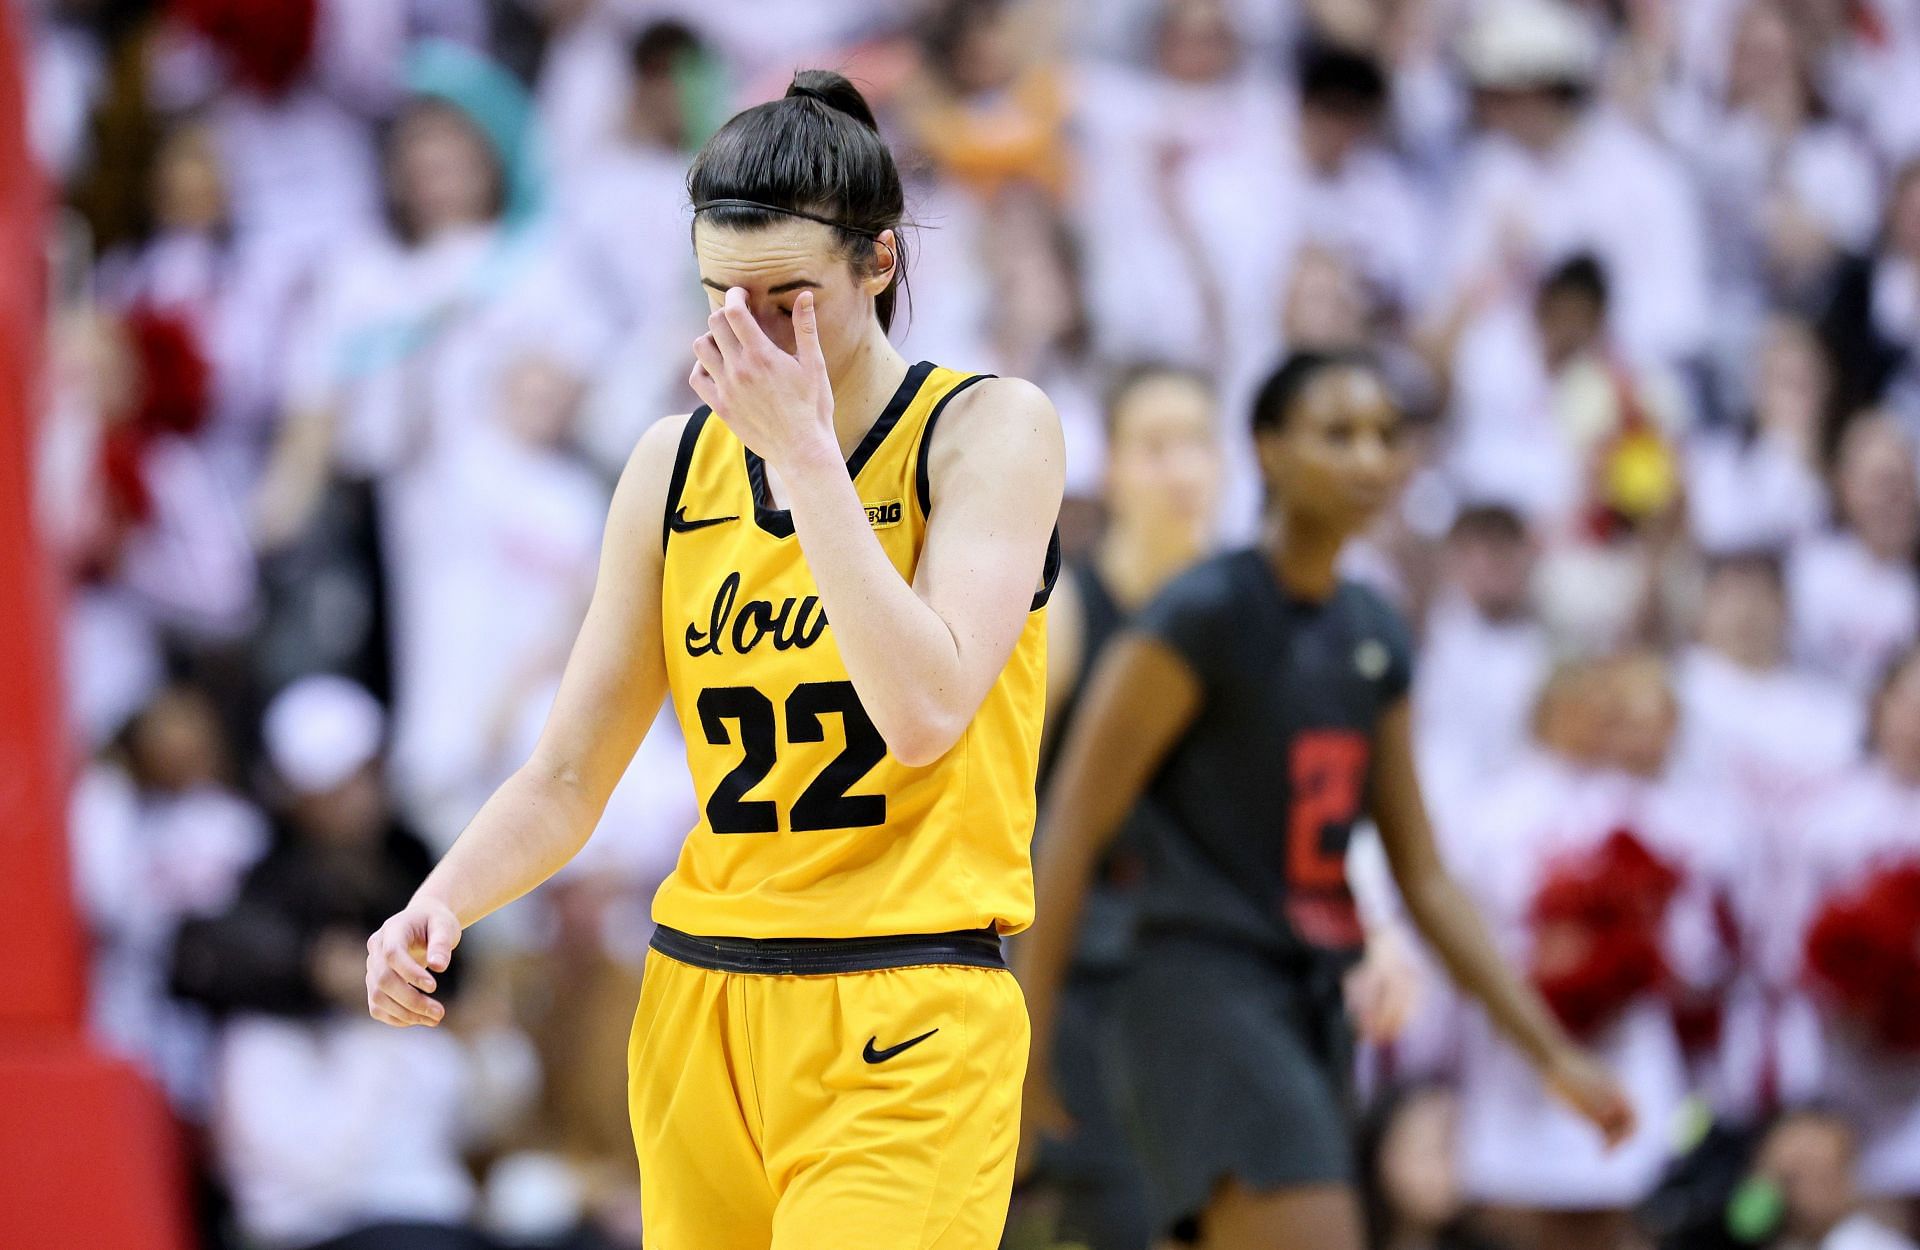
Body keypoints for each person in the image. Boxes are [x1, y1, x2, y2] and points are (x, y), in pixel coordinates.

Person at [366, 71, 1065, 1250]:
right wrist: (441, 899)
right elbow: (568, 775)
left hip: (906, 1008)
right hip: (700, 1000)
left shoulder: (989, 428)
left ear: (877, 265)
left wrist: (804, 460)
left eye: (789, 297)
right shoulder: (669, 466)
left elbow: (925, 711)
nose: (749, 332)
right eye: (720, 298)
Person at [1013, 351, 1631, 1250]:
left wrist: (1551, 1053)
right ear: (1267, 450)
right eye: (1337, 434)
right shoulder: (1200, 615)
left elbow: (1424, 878)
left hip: (1305, 997)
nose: (1370, 458)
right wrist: (1023, 1045)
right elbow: (1067, 827)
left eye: (1386, 436)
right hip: (1189, 989)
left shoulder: (1373, 632)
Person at [1020, 363, 1222, 1250]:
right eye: (1155, 446)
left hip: (1216, 973)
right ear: (1113, 467)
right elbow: (996, 804)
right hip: (1087, 975)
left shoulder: (1246, 613)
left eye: (1198, 444)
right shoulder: (1067, 615)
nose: (1181, 469)